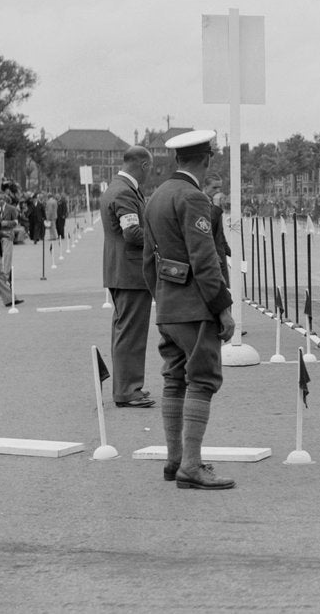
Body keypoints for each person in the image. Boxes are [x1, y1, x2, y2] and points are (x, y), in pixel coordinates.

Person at [143, 130, 236, 490]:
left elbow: (148, 264)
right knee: (202, 380)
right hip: (195, 308)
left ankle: (175, 459)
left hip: (167, 306)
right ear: (206, 159)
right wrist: (222, 309)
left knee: (173, 378)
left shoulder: (156, 198)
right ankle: (192, 465)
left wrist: (162, 300)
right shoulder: (193, 198)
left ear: (178, 160)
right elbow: (205, 260)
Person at [101, 146, 155, 408]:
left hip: (120, 271)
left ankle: (126, 386)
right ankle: (127, 390)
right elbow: (132, 233)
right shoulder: (124, 191)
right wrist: (160, 240)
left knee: (124, 331)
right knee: (131, 333)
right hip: (131, 272)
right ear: (143, 165)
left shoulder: (116, 187)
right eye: (151, 168)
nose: (150, 174)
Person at [203, 174, 232, 284]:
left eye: (219, 187)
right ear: (205, 187)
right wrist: (216, 207)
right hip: (211, 256)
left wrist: (229, 252)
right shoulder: (200, 202)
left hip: (220, 254)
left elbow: (220, 232)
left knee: (226, 289)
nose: (218, 191)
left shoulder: (216, 205)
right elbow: (206, 226)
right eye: (214, 188)